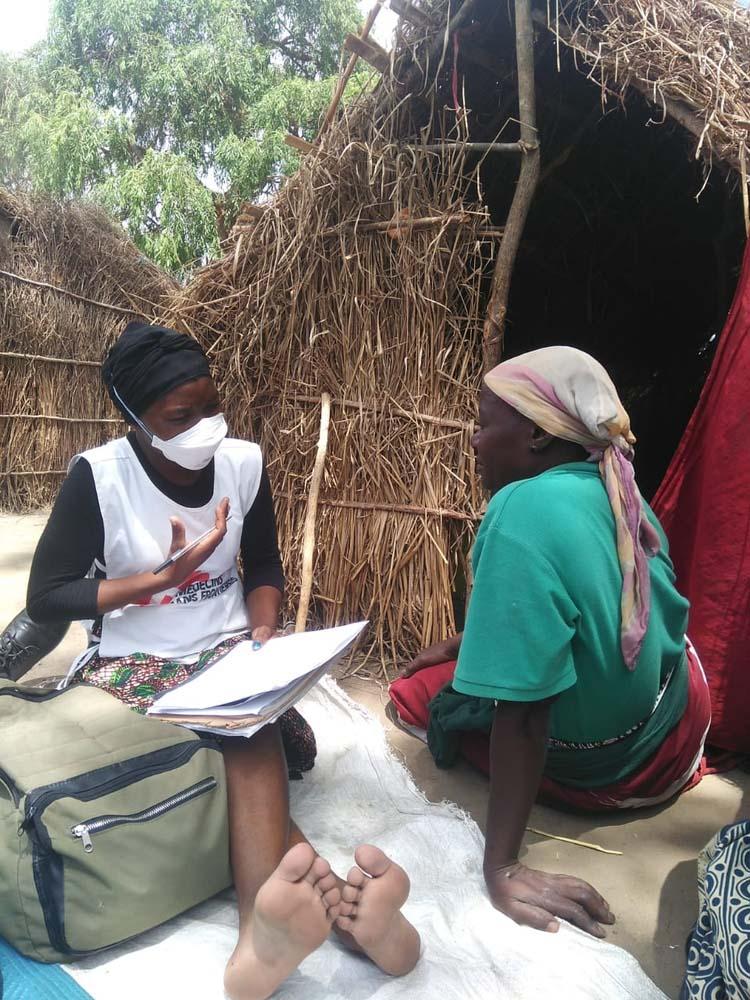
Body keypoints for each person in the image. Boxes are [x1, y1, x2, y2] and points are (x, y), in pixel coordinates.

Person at [27, 321, 420, 999]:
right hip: (137, 664)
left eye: (212, 405)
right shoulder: (100, 479)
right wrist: (153, 583)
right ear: (135, 418)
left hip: (228, 656)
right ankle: (337, 922)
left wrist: (262, 632)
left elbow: (263, 565)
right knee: (246, 748)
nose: (206, 424)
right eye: (181, 416)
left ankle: (270, 937)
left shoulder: (243, 463)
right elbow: (49, 593)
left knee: (248, 727)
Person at [390, 346, 711, 940]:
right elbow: (599, 602)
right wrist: (468, 642)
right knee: (458, 672)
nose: (475, 440)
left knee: (416, 696)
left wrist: (502, 866)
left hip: (624, 772)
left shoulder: (518, 510)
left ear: (537, 434)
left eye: (486, 423)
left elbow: (525, 717)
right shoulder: (616, 486)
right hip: (681, 724)